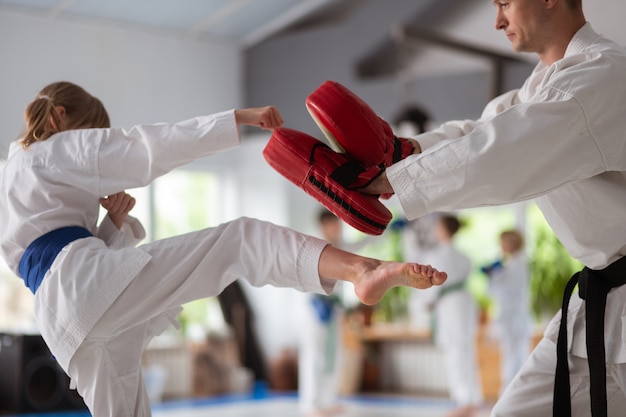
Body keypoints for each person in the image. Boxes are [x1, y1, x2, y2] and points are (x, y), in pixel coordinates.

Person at [0, 81, 447, 417]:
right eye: (92, 134)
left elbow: (51, 264)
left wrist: (111, 225)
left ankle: (358, 271)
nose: (95, 150)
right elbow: (141, 148)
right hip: (83, 285)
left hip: (63, 319)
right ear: (59, 117)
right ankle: (359, 270)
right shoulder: (52, 148)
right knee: (240, 239)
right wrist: (234, 120)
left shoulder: (13, 176)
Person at [359, 0, 626, 415]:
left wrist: (387, 182)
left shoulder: (601, 76)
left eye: (505, 3)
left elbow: (496, 155)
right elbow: (478, 132)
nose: (498, 20)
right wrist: (401, 151)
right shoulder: (540, 87)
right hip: (598, 307)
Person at [419, 214, 482, 417]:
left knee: (456, 350)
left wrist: (427, 304)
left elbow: (431, 285)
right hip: (464, 302)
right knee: (465, 349)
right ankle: (471, 399)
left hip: (450, 305)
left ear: (444, 230)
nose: (435, 230)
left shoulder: (436, 255)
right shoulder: (463, 257)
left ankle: (464, 400)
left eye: (437, 227)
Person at [482, 229, 532, 395]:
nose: (501, 246)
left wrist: (493, 276)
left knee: (512, 357)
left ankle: (510, 395)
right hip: (514, 318)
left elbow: (501, 292)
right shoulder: (514, 264)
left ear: (511, 244)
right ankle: (512, 394)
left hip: (512, 318)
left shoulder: (515, 266)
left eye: (503, 242)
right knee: (514, 356)